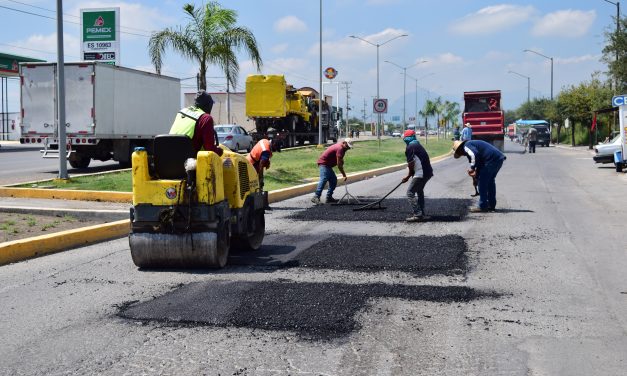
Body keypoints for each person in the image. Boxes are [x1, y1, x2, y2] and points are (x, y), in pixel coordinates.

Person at [452, 139, 506, 212]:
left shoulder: (466, 146)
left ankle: (482, 206)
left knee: (482, 183)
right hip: (498, 159)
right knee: (490, 182)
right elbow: (480, 163)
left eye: (460, 153)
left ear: (459, 149)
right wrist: (476, 177)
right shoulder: (471, 145)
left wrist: (472, 168)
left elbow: (475, 154)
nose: (462, 155)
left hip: (491, 160)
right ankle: (491, 205)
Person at [169, 90, 223, 156]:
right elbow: (210, 148)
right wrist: (220, 151)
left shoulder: (182, 111)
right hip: (189, 162)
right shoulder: (206, 118)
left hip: (169, 155)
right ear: (208, 105)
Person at [400, 130, 433, 222]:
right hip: (428, 173)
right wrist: (411, 175)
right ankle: (421, 213)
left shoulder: (410, 147)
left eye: (405, 137)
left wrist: (408, 176)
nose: (404, 139)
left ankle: (418, 214)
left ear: (407, 138)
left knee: (410, 193)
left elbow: (411, 164)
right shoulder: (418, 145)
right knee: (419, 191)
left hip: (421, 173)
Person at [311, 138, 353, 204]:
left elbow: (339, 159)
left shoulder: (342, 147)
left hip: (328, 165)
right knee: (324, 179)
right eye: (347, 146)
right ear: (344, 142)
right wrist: (344, 175)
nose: (348, 148)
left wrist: (341, 160)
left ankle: (329, 197)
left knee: (333, 180)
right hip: (324, 164)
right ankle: (316, 197)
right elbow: (339, 165)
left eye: (349, 147)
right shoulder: (340, 148)